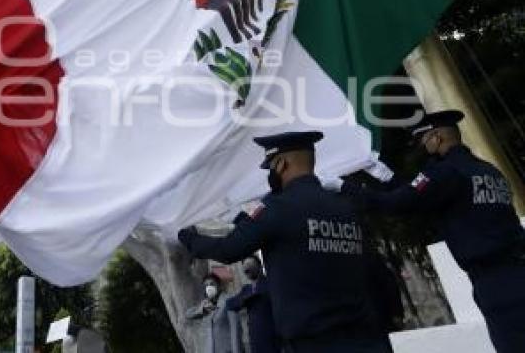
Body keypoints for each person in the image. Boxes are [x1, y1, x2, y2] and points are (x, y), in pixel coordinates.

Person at [331, 109, 525, 353]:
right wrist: (387, 176)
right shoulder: (487, 170)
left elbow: (398, 204)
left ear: (437, 138)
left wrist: (344, 187)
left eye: (423, 139)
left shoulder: (446, 172)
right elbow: (419, 197)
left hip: (497, 282)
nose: (421, 145)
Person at [178, 131, 388, 352]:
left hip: (314, 343)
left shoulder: (277, 209)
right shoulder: (345, 206)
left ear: (280, 163)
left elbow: (227, 249)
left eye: (270, 167)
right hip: (367, 338)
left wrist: (185, 236)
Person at [226, 256, 281, 353]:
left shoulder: (270, 283)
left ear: (260, 266)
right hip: (254, 340)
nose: (247, 267)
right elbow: (230, 304)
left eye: (250, 264)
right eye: (245, 265)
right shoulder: (246, 289)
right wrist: (244, 300)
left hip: (273, 339)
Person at [185, 273, 242, 353]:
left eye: (212, 284)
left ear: (219, 286)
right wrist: (201, 310)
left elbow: (235, 329)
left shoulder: (228, 300)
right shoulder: (205, 305)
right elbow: (188, 314)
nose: (209, 287)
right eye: (206, 286)